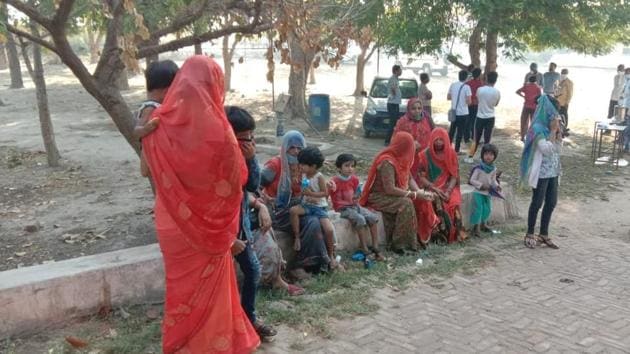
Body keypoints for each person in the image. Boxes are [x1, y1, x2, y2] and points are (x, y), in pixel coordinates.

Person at [141, 56, 259, 353]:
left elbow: (146, 170)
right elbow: (238, 180)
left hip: (171, 220)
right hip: (209, 229)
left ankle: (184, 344)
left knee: (182, 290)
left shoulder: (159, 123)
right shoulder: (221, 133)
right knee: (213, 292)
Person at [224, 106, 277, 341]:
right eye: (246, 137)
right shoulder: (218, 155)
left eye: (252, 137)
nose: (251, 142)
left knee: (253, 270)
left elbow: (252, 185)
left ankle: (249, 318)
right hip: (220, 229)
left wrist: (251, 157)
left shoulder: (245, 153)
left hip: (240, 224)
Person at [260, 131, 331, 276]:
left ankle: (315, 264)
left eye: (299, 148)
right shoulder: (275, 165)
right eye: (292, 148)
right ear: (285, 148)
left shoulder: (305, 166)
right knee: (312, 222)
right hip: (279, 211)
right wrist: (265, 199)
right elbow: (256, 186)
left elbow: (316, 185)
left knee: (315, 221)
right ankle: (304, 266)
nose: (296, 151)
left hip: (300, 208)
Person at [360, 132, 433, 253]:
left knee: (417, 201)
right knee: (406, 203)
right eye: (410, 146)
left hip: (394, 195)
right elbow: (389, 189)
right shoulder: (387, 162)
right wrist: (414, 195)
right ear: (403, 147)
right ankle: (399, 244)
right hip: (379, 196)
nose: (411, 149)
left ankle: (419, 239)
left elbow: (409, 178)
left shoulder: (401, 158)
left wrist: (420, 192)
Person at [520, 95, 562, 250]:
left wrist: (558, 134)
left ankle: (544, 233)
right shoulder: (537, 129)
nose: (555, 117)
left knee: (551, 202)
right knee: (537, 202)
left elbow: (557, 149)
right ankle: (530, 233)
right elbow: (545, 150)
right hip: (541, 173)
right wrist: (552, 131)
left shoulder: (552, 129)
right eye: (553, 114)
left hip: (553, 171)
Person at [289, 147, 340, 270]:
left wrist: (311, 194)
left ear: (314, 166)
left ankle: (331, 255)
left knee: (329, 230)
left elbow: (324, 193)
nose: (300, 166)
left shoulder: (319, 176)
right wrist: (298, 183)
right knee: (293, 211)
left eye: (303, 164)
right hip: (307, 205)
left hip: (318, 207)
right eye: (300, 163)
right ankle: (297, 237)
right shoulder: (304, 174)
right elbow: (302, 189)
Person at [329, 153, 384, 260]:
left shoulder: (354, 179)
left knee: (372, 218)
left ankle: (375, 246)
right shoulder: (334, 181)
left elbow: (357, 192)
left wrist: (357, 196)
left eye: (352, 166)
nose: (350, 168)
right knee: (360, 219)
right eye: (347, 165)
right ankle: (363, 247)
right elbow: (331, 194)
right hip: (343, 208)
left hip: (355, 205)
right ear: (339, 167)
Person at [417, 128, 467, 243]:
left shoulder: (451, 153)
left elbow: (454, 175)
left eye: (442, 140)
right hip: (430, 186)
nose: (439, 143)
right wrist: (434, 188)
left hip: (449, 186)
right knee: (436, 200)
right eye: (436, 140)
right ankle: (440, 235)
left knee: (453, 202)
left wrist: (448, 191)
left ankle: (457, 233)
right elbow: (421, 176)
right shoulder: (424, 155)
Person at [134, 60, 179, 180]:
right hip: (151, 153)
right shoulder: (151, 107)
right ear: (166, 90)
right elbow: (137, 130)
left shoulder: (157, 105)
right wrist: (146, 129)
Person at [465, 71, 500, 164]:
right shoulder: (497, 92)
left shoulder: (480, 90)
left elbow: (477, 99)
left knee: (476, 139)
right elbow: (496, 104)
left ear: (486, 79)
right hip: (491, 117)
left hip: (480, 116)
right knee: (487, 140)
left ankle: (470, 156)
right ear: (495, 81)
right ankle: (485, 158)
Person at [468, 144, 501, 238]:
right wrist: (480, 185)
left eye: (491, 154)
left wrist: (497, 186)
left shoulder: (493, 169)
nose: (488, 156)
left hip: (488, 192)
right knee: (478, 209)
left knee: (487, 209)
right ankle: (476, 227)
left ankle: (483, 224)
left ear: (495, 156)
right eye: (486, 154)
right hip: (478, 192)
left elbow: (493, 180)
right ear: (482, 155)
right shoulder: (479, 168)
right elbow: (472, 180)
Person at [447, 70, 473, 154]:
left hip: (454, 111)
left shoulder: (453, 85)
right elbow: (469, 102)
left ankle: (447, 147)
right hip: (463, 113)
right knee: (460, 132)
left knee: (452, 131)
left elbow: (448, 97)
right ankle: (457, 150)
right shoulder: (467, 87)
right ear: (466, 77)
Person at [516, 75, 542, 141]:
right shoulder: (538, 88)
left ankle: (522, 137)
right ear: (535, 81)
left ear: (529, 80)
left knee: (523, 121)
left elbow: (517, 91)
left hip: (526, 106)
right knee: (533, 122)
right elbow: (540, 97)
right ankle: (531, 137)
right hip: (534, 107)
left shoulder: (526, 86)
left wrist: (523, 96)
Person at [385, 65, 403, 145]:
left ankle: (393, 140)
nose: (401, 71)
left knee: (395, 123)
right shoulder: (393, 79)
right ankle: (387, 140)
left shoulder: (396, 79)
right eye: (400, 70)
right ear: (396, 71)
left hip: (395, 103)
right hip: (392, 103)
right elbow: (393, 89)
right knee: (392, 123)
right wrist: (395, 93)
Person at [465, 68, 484, 144]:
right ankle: (474, 138)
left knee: (468, 121)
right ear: (479, 75)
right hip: (476, 104)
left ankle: (466, 137)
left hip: (468, 104)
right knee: (474, 122)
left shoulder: (468, 83)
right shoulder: (480, 84)